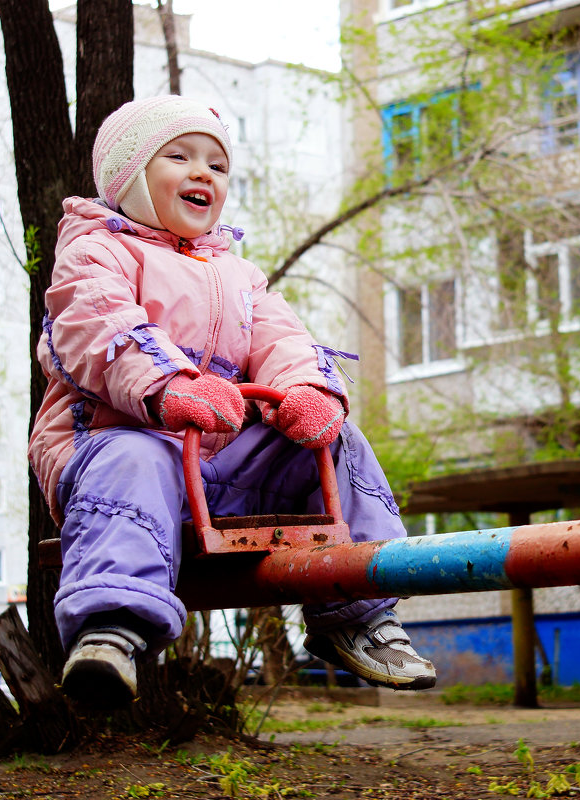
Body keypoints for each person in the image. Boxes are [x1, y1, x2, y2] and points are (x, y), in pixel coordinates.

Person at [28, 95, 436, 709]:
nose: (203, 174)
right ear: (129, 175)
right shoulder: (97, 254)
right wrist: (170, 386)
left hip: (219, 474)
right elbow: (97, 327)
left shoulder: (239, 274)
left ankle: (358, 609)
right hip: (116, 450)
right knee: (134, 456)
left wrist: (307, 391)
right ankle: (111, 629)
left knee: (334, 439)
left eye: (217, 165)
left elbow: (283, 340)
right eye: (179, 156)